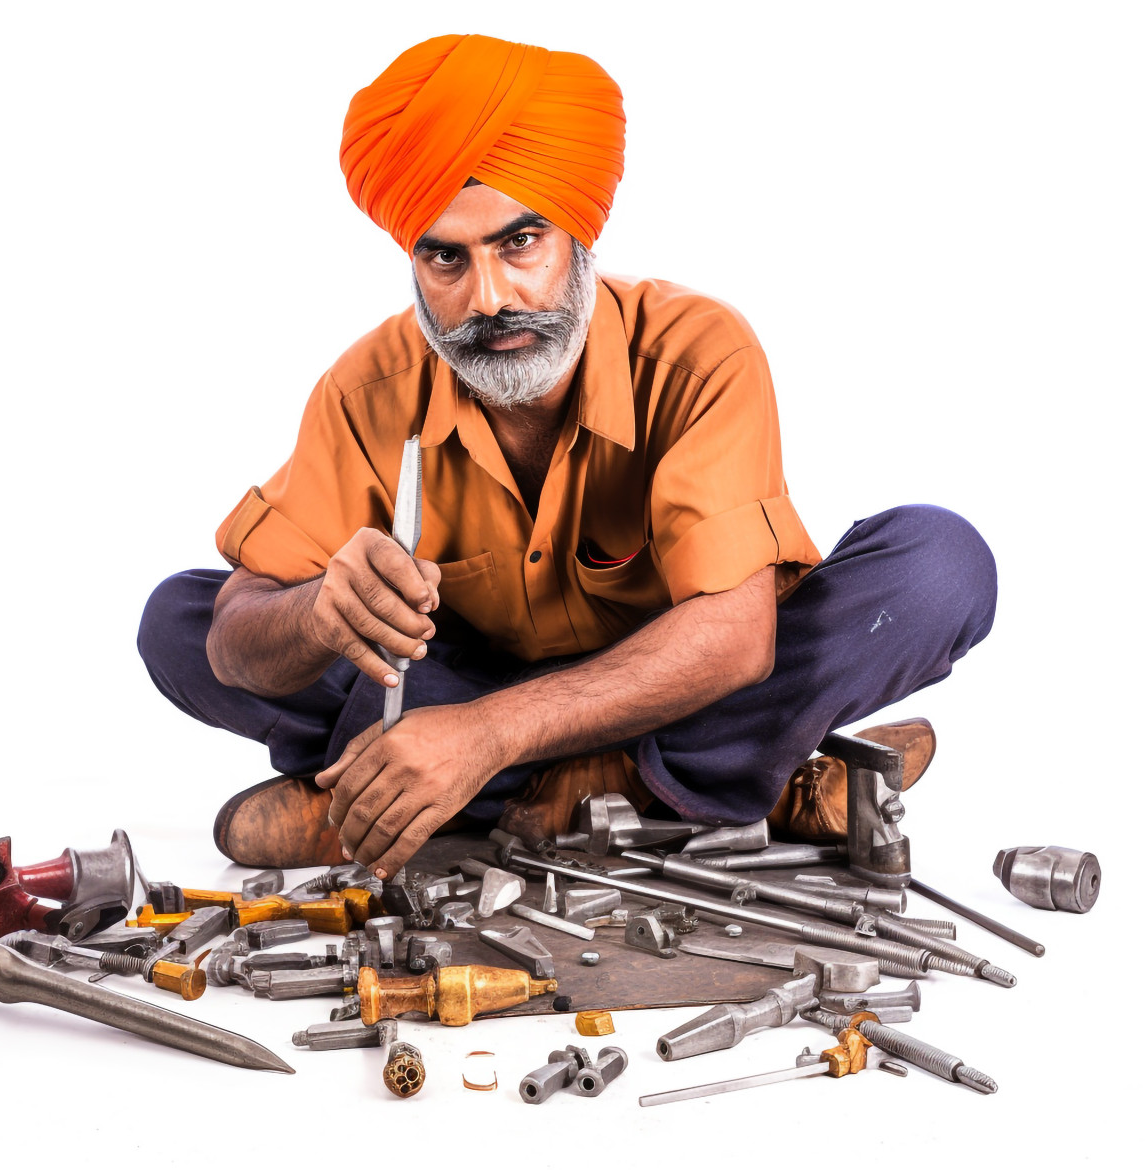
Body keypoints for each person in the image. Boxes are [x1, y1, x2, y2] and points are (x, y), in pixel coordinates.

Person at [137, 34, 997, 881]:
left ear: (579, 237)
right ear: (414, 262)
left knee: (936, 568)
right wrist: (324, 611)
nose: (490, 299)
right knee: (183, 619)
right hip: (464, 682)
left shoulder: (701, 353)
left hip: (671, 682)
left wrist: (487, 737)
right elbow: (236, 640)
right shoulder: (367, 389)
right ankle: (726, 786)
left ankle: (430, 798)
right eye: (445, 257)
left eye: (521, 243)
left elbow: (735, 639)